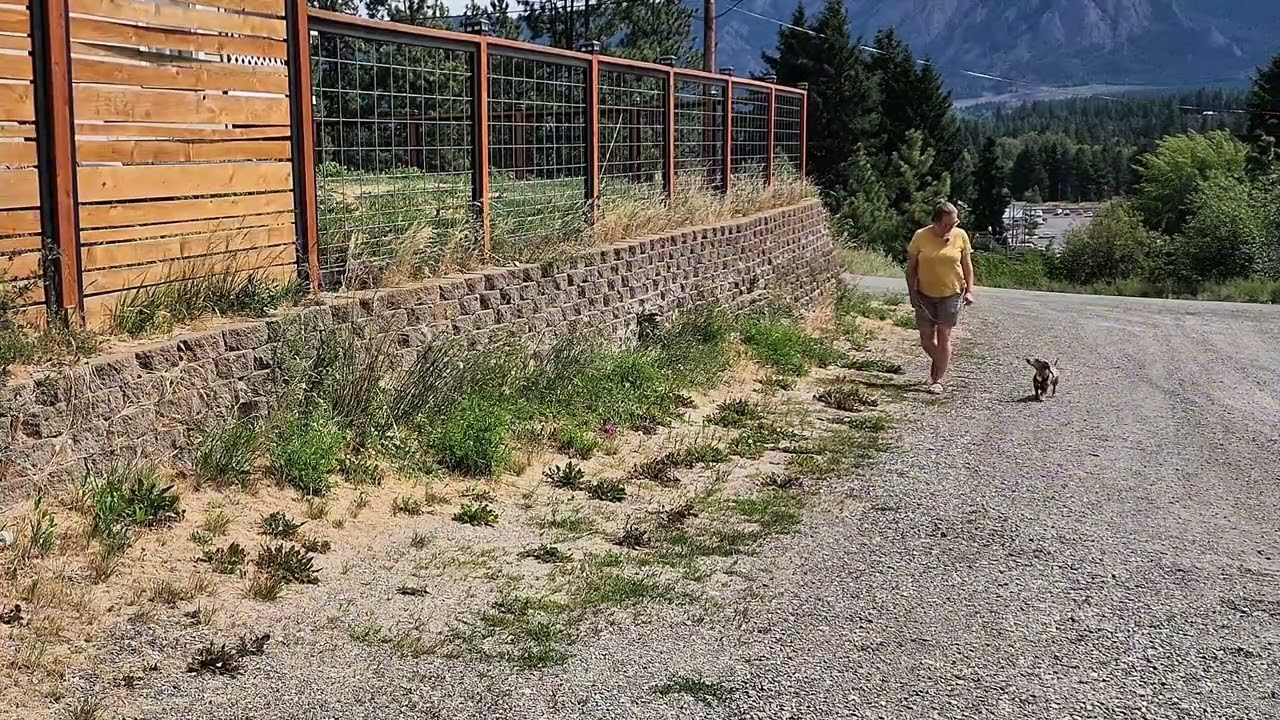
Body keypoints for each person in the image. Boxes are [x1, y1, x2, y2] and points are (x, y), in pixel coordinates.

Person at [905, 201, 976, 395]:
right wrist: (912, 292)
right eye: (946, 224)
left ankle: (937, 380)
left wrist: (970, 290)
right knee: (926, 339)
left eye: (954, 223)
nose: (950, 228)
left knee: (944, 334)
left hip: (951, 293)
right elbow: (910, 269)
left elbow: (967, 265)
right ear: (936, 222)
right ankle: (942, 361)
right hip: (924, 293)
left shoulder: (960, 236)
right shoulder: (921, 236)